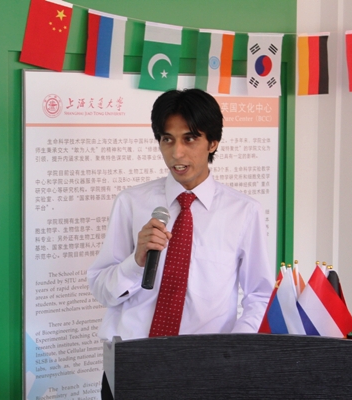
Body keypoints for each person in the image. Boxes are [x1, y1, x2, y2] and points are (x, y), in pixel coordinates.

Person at [87, 88, 274, 399]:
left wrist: (233, 349)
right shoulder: (131, 203)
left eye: (189, 139)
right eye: (167, 139)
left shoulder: (244, 212)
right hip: (131, 363)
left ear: (213, 143)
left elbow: (260, 293)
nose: (176, 153)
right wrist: (135, 262)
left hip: (205, 369)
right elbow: (101, 289)